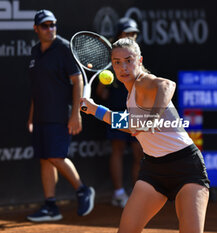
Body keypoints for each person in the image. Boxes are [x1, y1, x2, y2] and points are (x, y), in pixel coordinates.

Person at [81, 38, 210, 233]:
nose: (123, 67)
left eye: (128, 60)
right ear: (112, 66)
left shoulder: (143, 82)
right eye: (117, 62)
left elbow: (167, 85)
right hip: (153, 170)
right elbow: (131, 126)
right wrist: (94, 110)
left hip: (186, 166)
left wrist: (152, 117)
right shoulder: (130, 94)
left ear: (139, 61)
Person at [26, 9, 95, 222]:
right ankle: (51, 206)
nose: (50, 29)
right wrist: (31, 116)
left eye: (53, 24)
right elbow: (36, 88)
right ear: (36, 29)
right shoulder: (35, 51)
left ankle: (83, 190)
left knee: (56, 156)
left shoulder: (64, 48)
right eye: (45, 25)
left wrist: (76, 115)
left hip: (59, 115)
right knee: (45, 160)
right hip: (40, 115)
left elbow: (77, 81)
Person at [96, 17, 143, 208]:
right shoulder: (113, 58)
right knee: (118, 149)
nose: (132, 36)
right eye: (128, 33)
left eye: (134, 33)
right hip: (118, 111)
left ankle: (138, 194)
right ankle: (118, 193)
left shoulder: (137, 56)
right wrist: (108, 92)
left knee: (139, 153)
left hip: (137, 111)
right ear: (119, 34)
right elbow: (101, 90)